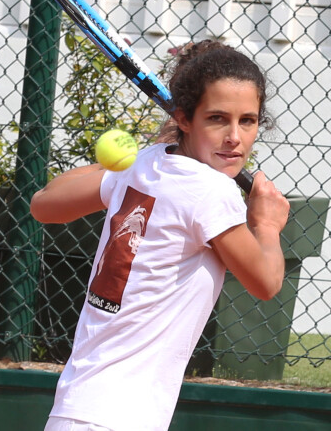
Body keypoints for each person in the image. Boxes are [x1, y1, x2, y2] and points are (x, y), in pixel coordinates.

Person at [31, 40, 290, 431]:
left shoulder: (146, 165)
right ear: (184, 118)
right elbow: (266, 283)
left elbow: (44, 203)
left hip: (78, 407)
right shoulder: (212, 192)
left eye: (247, 120)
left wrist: (128, 163)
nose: (234, 136)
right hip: (121, 417)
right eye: (217, 119)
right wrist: (267, 226)